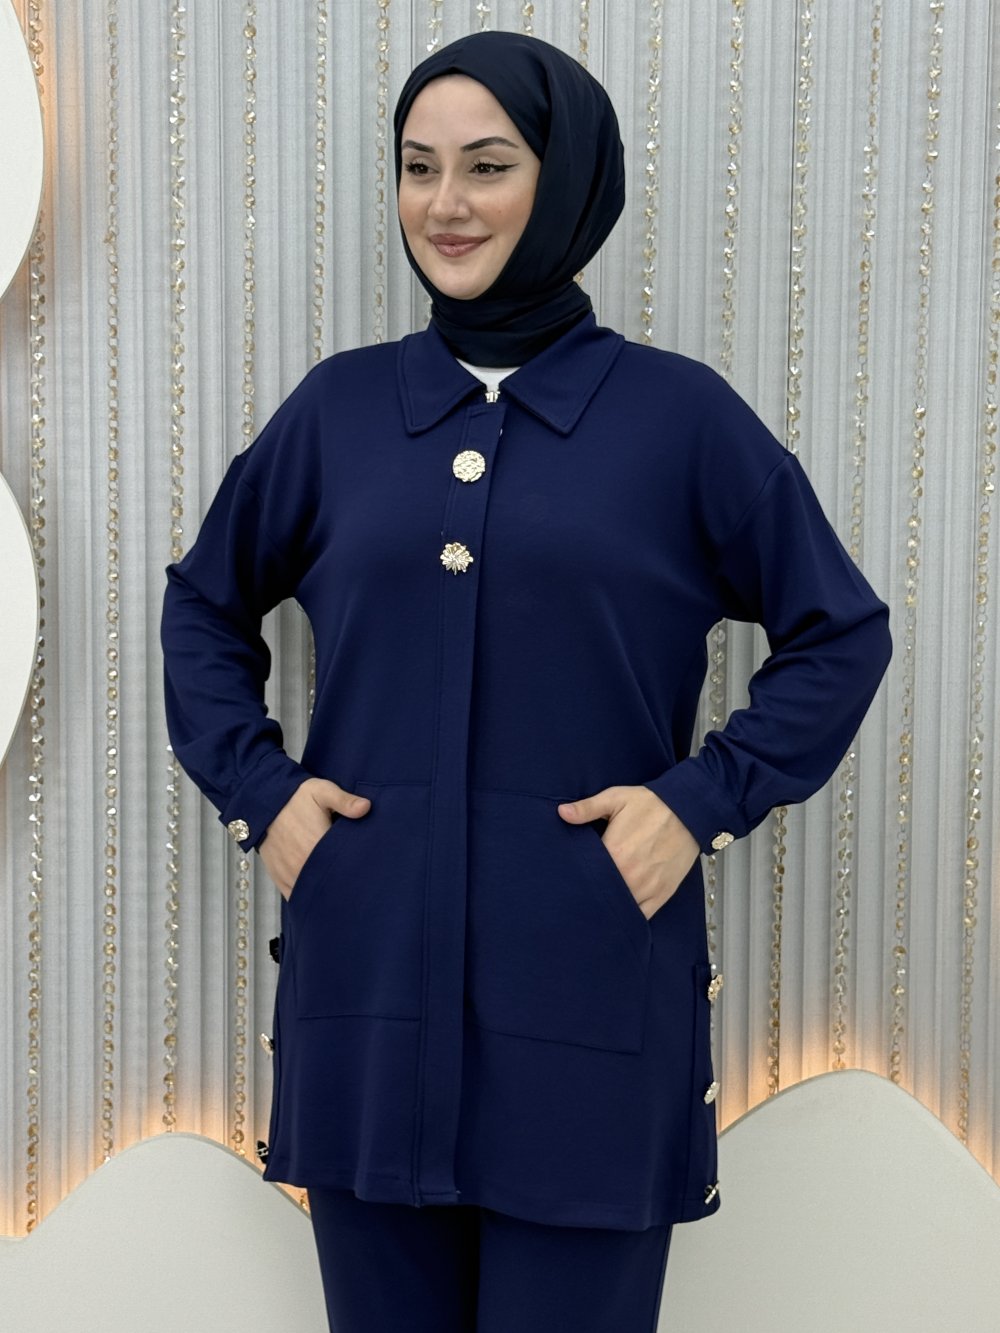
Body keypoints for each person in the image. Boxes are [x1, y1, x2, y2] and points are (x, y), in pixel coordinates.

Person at [160, 29, 891, 1333]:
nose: (445, 203)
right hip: (368, 1005)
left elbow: (841, 631)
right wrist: (263, 794)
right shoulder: (337, 414)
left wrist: (700, 801)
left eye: (488, 166)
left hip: (592, 1005)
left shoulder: (679, 421)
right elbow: (203, 604)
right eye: (418, 166)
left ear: (565, 183)